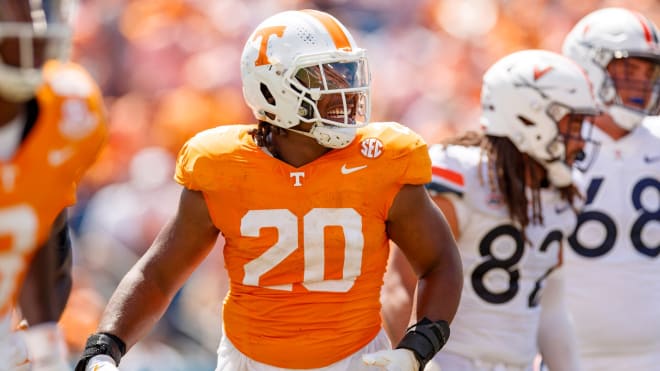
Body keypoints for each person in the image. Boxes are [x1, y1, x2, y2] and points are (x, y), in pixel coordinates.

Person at [75, 9, 462, 371]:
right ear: (273, 88)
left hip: (355, 359)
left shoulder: (381, 160)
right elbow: (159, 274)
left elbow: (440, 261)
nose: (345, 89)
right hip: (249, 361)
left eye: (346, 71)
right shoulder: (224, 165)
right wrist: (106, 344)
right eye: (325, 76)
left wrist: (417, 345)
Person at [381, 49, 600, 371]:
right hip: (449, 360)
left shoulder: (562, 194)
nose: (580, 140)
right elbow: (400, 286)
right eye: (573, 122)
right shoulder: (461, 178)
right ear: (530, 115)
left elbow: (550, 308)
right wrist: (420, 362)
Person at [0, 0, 108, 369]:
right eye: (16, 9)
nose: (36, 25)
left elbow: (43, 236)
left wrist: (43, 341)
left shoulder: (65, 110)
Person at [560, 7, 660, 371]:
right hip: (567, 356)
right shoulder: (550, 143)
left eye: (650, 73)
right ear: (587, 67)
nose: (643, 85)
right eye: (630, 70)